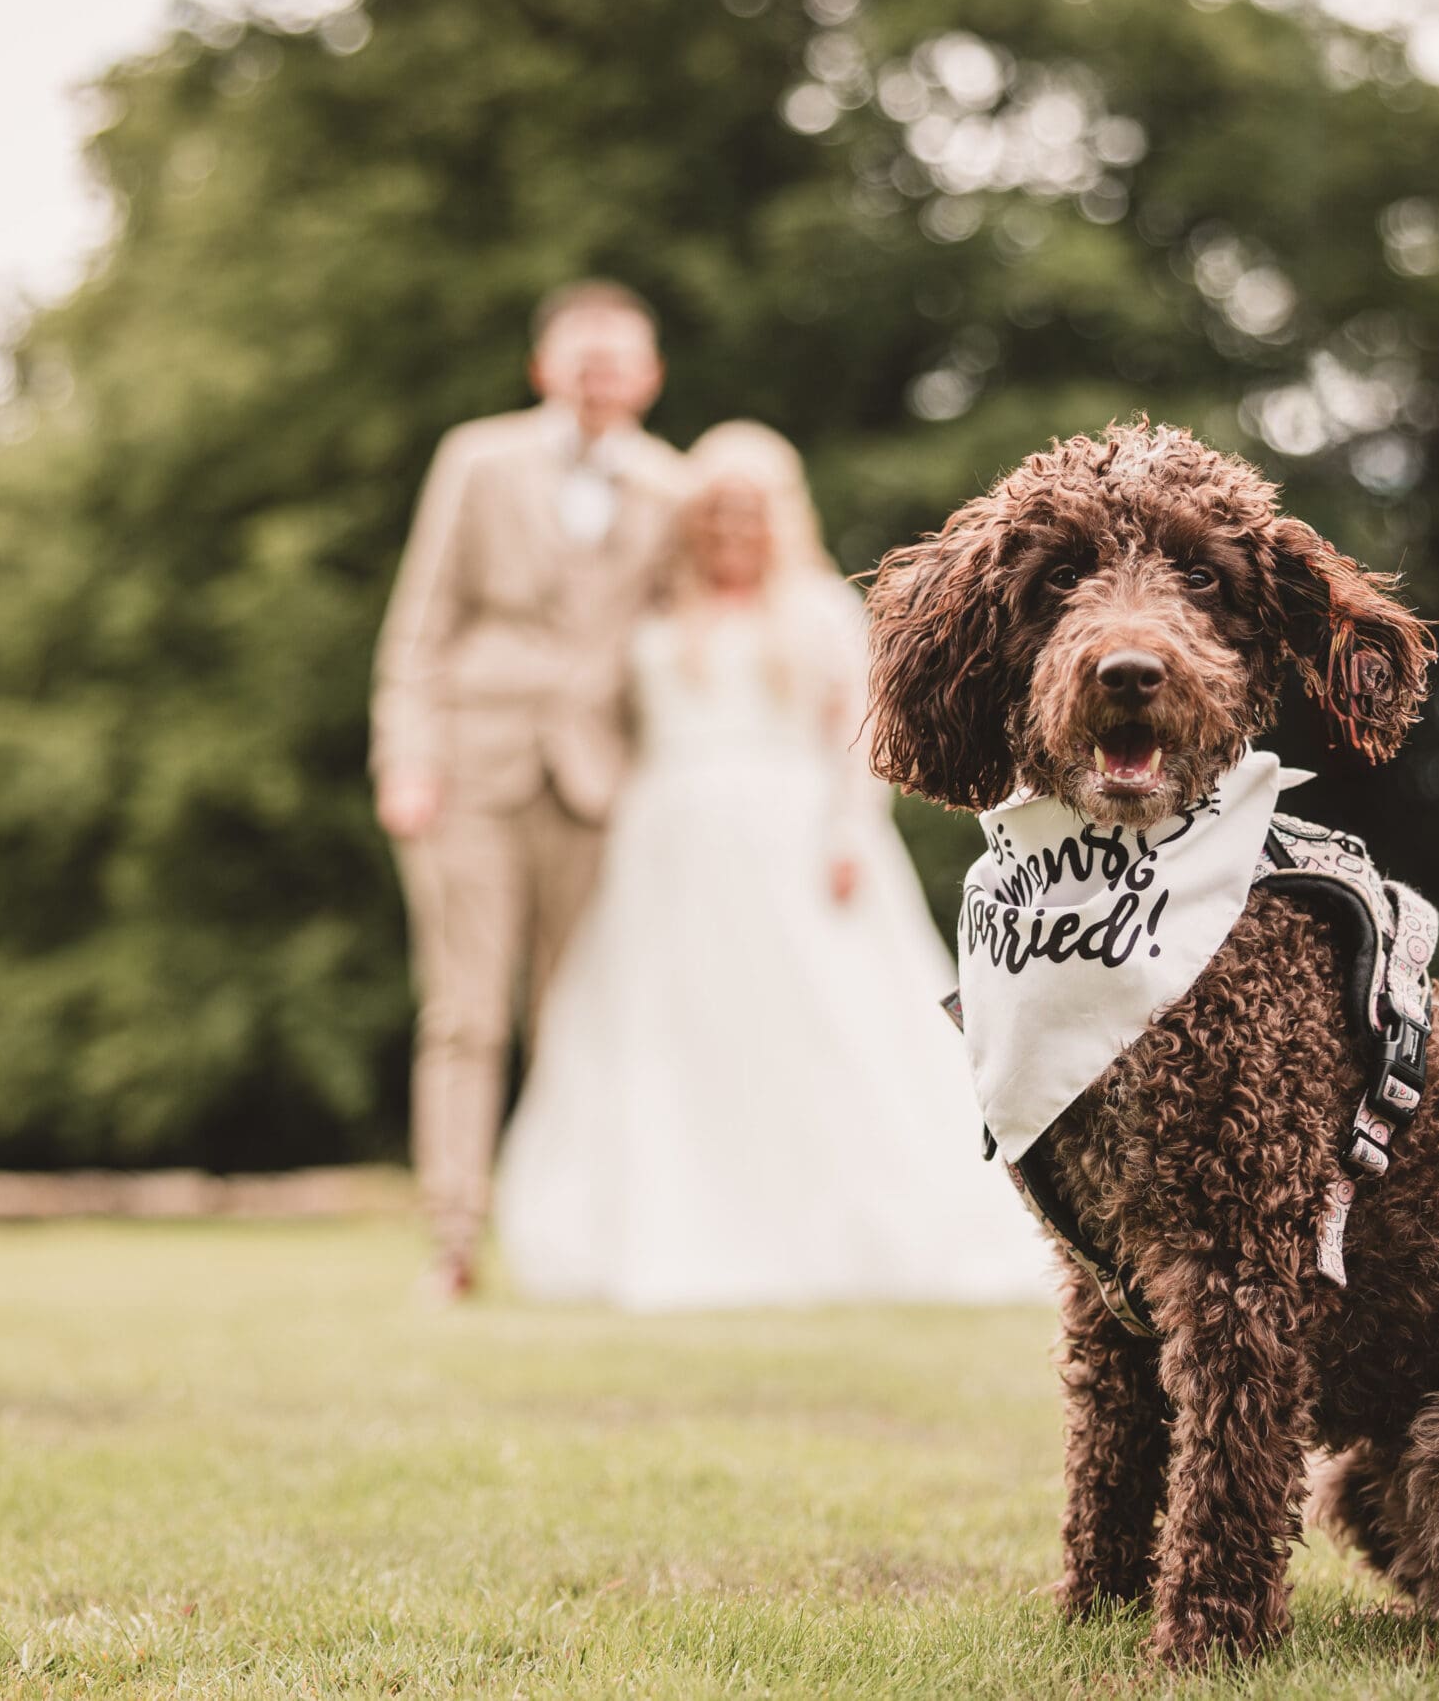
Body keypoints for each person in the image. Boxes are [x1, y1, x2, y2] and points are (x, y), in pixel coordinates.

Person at [493, 422, 1053, 1310]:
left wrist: (844, 835)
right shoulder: (654, 607)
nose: (731, 530)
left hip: (790, 840)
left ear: (777, 515)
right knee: (666, 1031)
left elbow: (856, 739)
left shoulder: (819, 608)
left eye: (747, 513)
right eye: (715, 513)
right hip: (663, 844)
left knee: (825, 1023)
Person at [371, 281, 685, 1301]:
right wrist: (405, 758)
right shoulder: (477, 459)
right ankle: (452, 1240)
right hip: (469, 769)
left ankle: (561, 1233)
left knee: (575, 1021)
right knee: (465, 1014)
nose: (598, 378)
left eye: (618, 361)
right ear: (544, 368)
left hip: (600, 786)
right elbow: (421, 621)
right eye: (580, 359)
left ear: (649, 377)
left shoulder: (672, 489)